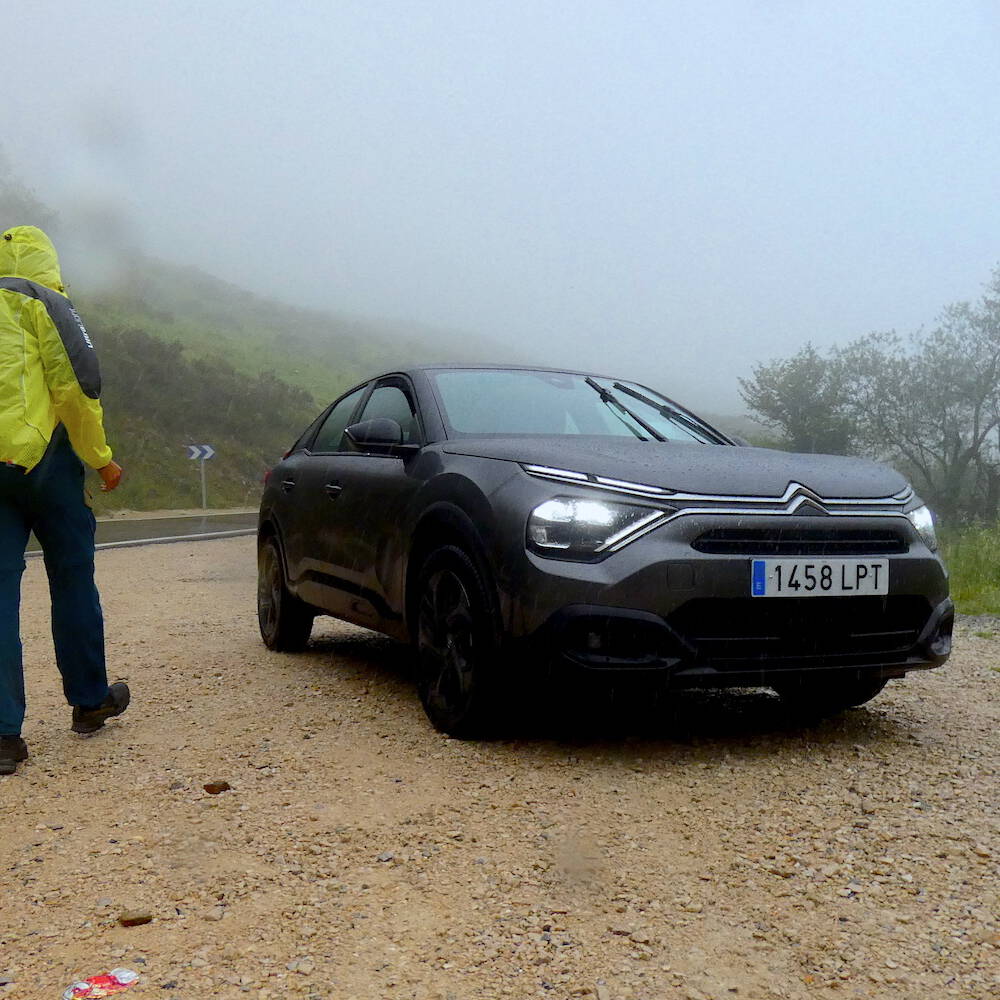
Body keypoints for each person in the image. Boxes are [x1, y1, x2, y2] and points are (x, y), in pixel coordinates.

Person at [0, 225, 129, 776]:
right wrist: (100, 457)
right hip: (44, 461)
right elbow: (77, 385)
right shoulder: (42, 301)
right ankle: (89, 699)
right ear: (47, 261)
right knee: (72, 577)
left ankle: (4, 738)